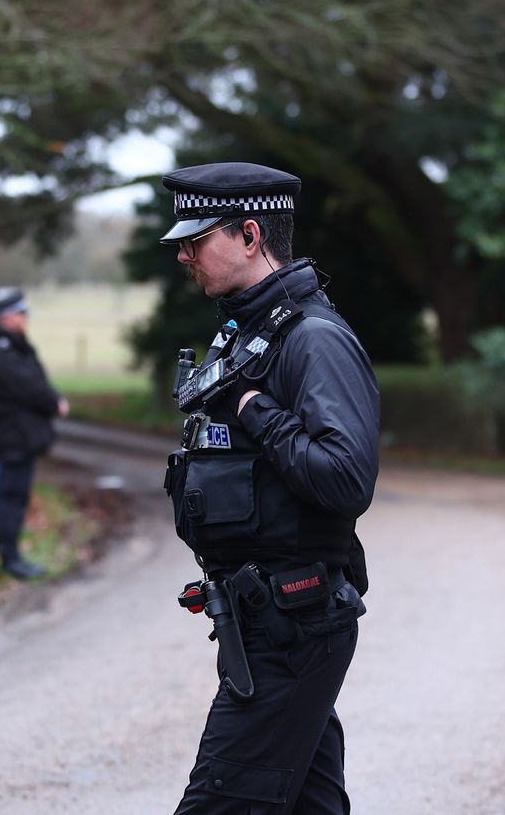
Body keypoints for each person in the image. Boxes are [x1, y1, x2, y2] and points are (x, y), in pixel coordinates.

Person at [160, 162, 380, 813]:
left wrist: (255, 407)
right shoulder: (248, 332)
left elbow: (346, 477)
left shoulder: (312, 338)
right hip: (266, 621)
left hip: (295, 622)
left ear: (251, 235)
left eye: (197, 240)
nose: (183, 253)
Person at [0, 287, 69, 580]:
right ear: (7, 317)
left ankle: (11, 554)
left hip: (9, 431)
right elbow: (29, 385)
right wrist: (54, 402)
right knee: (12, 496)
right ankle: (10, 559)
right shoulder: (1, 350)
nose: (26, 319)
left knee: (11, 494)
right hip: (13, 434)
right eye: (22, 314)